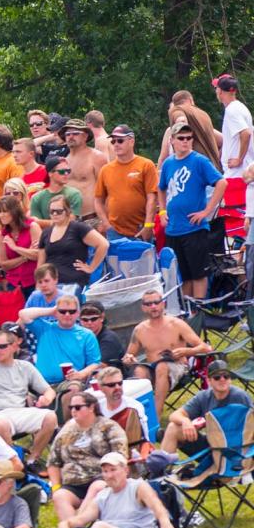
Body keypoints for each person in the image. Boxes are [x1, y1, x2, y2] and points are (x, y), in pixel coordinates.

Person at [0, 327, 57, 462]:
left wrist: (46, 398)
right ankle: (15, 463)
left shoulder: (25, 366)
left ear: (14, 347)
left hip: (20, 411)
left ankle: (33, 459)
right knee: (2, 424)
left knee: (50, 417)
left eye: (2, 346)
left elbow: (49, 390)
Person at [160, 119, 226, 299]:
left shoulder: (199, 161)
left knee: (198, 273)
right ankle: (188, 311)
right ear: (172, 140)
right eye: (181, 138)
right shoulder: (168, 163)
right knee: (184, 276)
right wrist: (162, 211)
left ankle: (199, 310)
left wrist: (206, 211)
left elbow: (221, 183)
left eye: (189, 138)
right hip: (174, 229)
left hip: (194, 228)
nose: (185, 141)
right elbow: (161, 187)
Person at [48, 390, 130, 524]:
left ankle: (75, 525)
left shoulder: (108, 427)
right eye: (71, 408)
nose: (73, 411)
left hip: (100, 478)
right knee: (59, 496)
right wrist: (56, 487)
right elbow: (53, 462)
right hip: (73, 484)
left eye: (78, 407)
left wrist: (110, 475)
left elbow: (120, 457)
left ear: (92, 407)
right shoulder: (66, 431)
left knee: (96, 488)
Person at [125, 289, 212, 412]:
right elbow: (128, 356)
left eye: (156, 302)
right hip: (153, 369)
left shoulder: (176, 324)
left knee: (162, 367)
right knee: (139, 371)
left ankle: (156, 416)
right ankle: (140, 414)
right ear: (143, 308)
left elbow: (205, 348)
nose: (153, 306)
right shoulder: (139, 330)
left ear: (163, 304)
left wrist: (185, 351)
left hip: (178, 367)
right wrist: (129, 359)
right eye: (148, 304)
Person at [94, 124, 159, 239]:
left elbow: (152, 197)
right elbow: (98, 200)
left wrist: (149, 225)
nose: (116, 144)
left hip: (141, 229)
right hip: (114, 231)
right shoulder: (106, 169)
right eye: (113, 142)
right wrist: (106, 224)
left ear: (131, 141)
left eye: (120, 140)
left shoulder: (146, 165)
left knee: (143, 257)